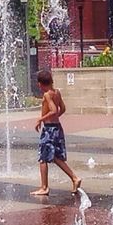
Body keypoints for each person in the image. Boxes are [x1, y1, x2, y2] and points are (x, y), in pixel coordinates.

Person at [31, 69, 81, 197]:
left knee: (43, 158)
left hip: (49, 130)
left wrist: (40, 120)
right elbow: (62, 108)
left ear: (40, 84)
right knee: (56, 157)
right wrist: (54, 118)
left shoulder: (47, 94)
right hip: (57, 127)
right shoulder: (57, 92)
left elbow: (53, 110)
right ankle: (74, 178)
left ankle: (44, 187)